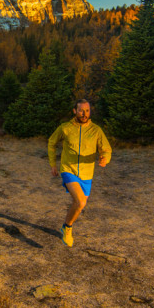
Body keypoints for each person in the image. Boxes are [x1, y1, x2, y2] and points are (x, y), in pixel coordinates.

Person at [47, 99, 111, 247]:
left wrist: (104, 159)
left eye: (87, 111)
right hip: (68, 169)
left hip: (87, 174)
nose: (84, 114)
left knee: (80, 205)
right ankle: (68, 229)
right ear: (74, 111)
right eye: (81, 110)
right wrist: (53, 164)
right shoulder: (65, 128)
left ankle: (65, 225)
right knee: (80, 201)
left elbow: (106, 149)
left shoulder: (96, 130)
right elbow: (52, 142)